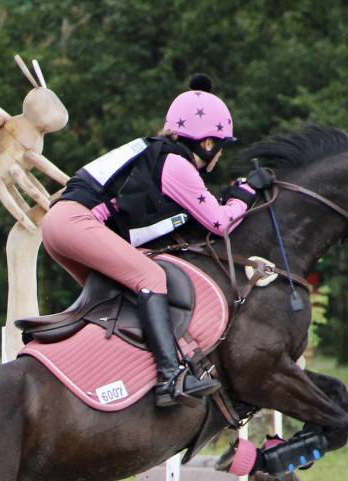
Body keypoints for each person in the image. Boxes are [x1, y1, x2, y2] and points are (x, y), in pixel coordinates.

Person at [42, 73, 257, 407]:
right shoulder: (176, 164)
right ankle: (170, 377)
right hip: (75, 223)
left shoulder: (154, 152)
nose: (220, 157)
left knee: (117, 299)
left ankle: (111, 370)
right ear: (208, 143)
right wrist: (245, 193)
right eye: (221, 147)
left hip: (59, 224)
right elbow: (220, 223)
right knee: (151, 277)